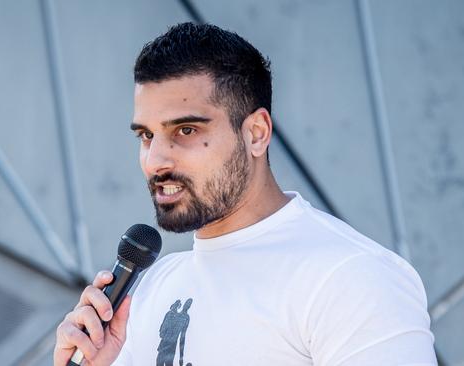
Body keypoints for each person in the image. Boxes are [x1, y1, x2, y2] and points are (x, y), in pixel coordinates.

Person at [54, 22, 437, 366]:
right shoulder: (154, 287)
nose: (155, 160)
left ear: (256, 133)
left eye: (185, 131)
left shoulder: (350, 278)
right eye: (146, 136)